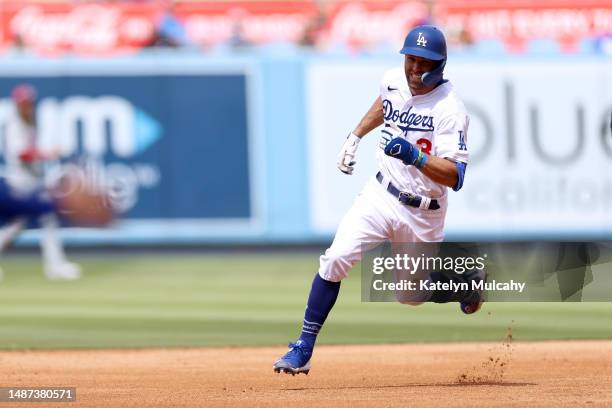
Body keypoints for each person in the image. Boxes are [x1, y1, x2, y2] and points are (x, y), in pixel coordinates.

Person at [273, 25, 484, 376]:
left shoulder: (450, 109)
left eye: (423, 63)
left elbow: (455, 176)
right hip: (380, 194)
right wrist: (355, 135)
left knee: (410, 297)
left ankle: (463, 283)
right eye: (411, 60)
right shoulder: (393, 79)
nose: (415, 69)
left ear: (441, 64)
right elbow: (386, 103)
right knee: (335, 258)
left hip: (423, 211)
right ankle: (303, 348)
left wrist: (414, 156)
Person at [0, 84, 81, 280]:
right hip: (19, 182)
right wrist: (47, 154)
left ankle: (56, 266)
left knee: (16, 226)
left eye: (29, 103)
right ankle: (55, 266)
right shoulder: (14, 125)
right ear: (17, 105)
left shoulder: (31, 123)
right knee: (47, 216)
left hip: (30, 180)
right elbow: (22, 154)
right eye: (23, 104)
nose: (26, 107)